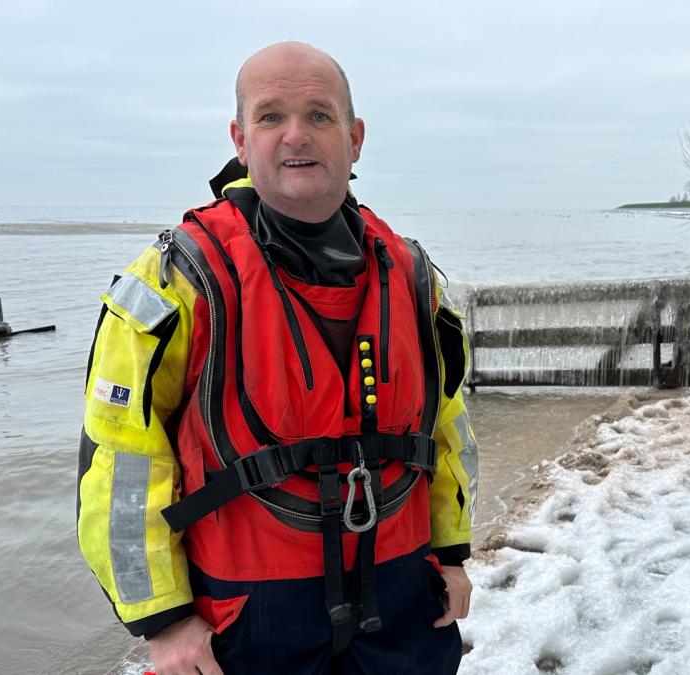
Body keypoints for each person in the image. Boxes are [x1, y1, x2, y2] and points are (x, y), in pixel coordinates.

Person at [77, 42, 478, 674]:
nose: (297, 135)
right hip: (246, 616)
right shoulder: (175, 281)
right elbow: (121, 462)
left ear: (355, 136)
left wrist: (452, 553)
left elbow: (447, 425)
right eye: (271, 117)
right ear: (240, 139)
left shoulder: (412, 274)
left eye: (319, 115)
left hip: (405, 601)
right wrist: (162, 619)